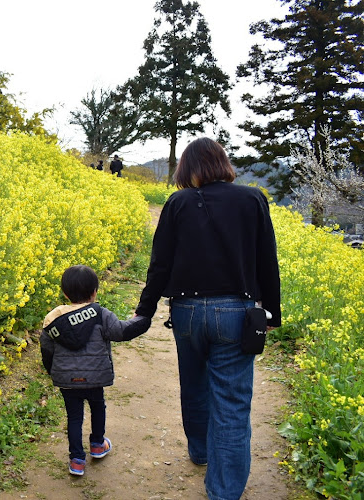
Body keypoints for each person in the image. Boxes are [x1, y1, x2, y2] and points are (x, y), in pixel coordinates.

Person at [134, 137, 281, 500]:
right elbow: (267, 262)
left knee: (195, 383)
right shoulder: (252, 199)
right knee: (231, 402)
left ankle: (200, 451)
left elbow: (160, 264)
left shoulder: (178, 202)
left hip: (186, 312)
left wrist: (145, 310)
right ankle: (223, 492)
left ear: (187, 169)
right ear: (223, 163)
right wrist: (273, 312)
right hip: (237, 313)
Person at [41, 265, 151, 476]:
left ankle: (76, 460)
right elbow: (122, 332)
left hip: (67, 380)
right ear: (94, 292)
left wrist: (52, 371)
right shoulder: (100, 314)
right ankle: (98, 445)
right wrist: (143, 319)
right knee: (98, 408)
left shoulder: (53, 320)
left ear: (64, 293)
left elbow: (47, 351)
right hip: (95, 377)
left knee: (74, 417)